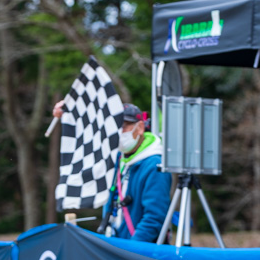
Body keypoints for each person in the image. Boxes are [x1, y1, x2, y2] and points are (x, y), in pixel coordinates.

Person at [52, 100, 171, 242]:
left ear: (140, 128)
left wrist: (131, 251)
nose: (118, 132)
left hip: (138, 254)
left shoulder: (155, 165)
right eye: (114, 127)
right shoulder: (119, 157)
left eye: (124, 126)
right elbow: (90, 135)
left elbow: (154, 218)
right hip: (117, 244)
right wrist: (71, 111)